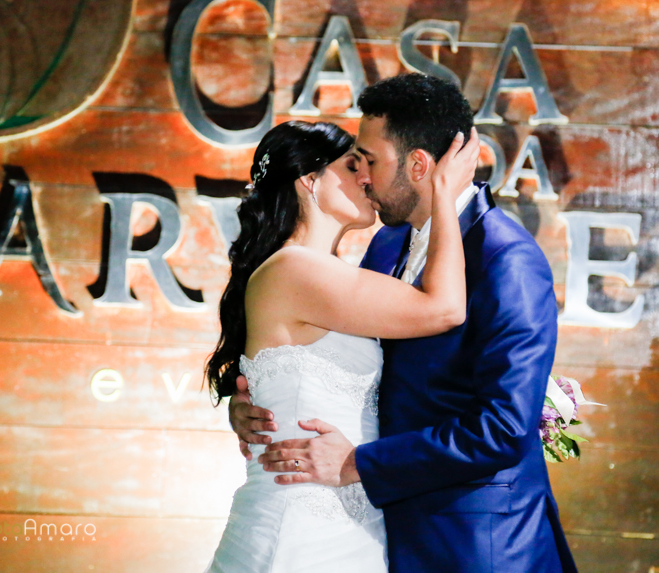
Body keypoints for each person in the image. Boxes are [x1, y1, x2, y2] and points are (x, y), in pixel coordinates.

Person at [230, 74, 578, 572]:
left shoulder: (507, 258)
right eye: (355, 164)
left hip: (476, 542)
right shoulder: (385, 245)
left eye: (369, 161)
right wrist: (262, 401)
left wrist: (357, 462)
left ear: (417, 165)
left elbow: (503, 428)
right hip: (376, 528)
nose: (365, 177)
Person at [204, 117, 480, 572]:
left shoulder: (327, 270)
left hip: (349, 521)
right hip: (301, 530)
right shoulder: (294, 269)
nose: (368, 177)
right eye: (353, 166)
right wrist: (443, 194)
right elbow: (444, 309)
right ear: (308, 180)